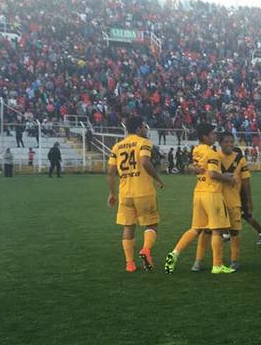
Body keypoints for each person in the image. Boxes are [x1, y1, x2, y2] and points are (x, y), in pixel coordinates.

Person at [163, 123, 237, 274]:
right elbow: (212, 174)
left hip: (198, 192)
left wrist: (193, 168)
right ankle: (217, 265)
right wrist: (229, 179)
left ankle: (174, 253)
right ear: (205, 136)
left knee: (196, 228)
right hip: (212, 193)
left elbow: (193, 166)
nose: (215, 136)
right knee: (217, 230)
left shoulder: (197, 149)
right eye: (213, 134)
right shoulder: (212, 153)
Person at [106, 117, 164, 272]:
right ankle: (146, 250)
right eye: (144, 127)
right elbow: (145, 162)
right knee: (151, 224)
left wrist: (112, 194)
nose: (145, 130)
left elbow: (111, 172)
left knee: (128, 227)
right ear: (139, 128)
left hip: (125, 193)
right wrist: (157, 178)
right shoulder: (143, 142)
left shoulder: (117, 146)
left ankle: (130, 264)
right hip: (143, 191)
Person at [218, 133, 250, 271]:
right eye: (226, 142)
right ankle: (217, 261)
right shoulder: (214, 157)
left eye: (232, 141)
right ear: (220, 143)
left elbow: (247, 181)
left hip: (234, 200)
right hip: (217, 200)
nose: (230, 144)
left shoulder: (240, 159)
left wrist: (248, 201)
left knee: (234, 232)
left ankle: (234, 260)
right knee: (217, 232)